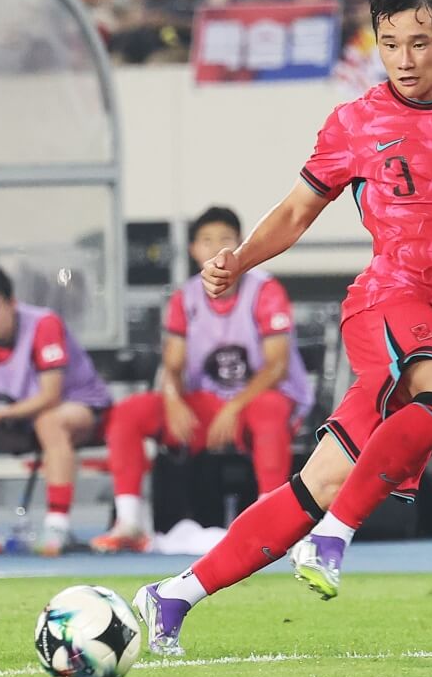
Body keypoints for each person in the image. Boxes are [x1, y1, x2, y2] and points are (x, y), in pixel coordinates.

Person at [130, 0, 432, 656]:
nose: (405, 60)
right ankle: (336, 536)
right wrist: (239, 259)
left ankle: (173, 595)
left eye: (418, 42)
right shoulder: (356, 122)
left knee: (319, 479)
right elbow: (297, 210)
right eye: (390, 44)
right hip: (387, 300)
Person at [91, 207, 314, 553]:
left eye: (225, 240)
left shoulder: (265, 290)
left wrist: (234, 407)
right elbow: (174, 365)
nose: (215, 249)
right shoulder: (185, 298)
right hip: (209, 404)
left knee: (269, 411)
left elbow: (276, 367)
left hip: (259, 398)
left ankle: (273, 520)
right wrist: (172, 399)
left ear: (242, 245)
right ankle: (129, 521)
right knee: (128, 413)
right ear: (193, 250)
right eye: (206, 241)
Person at [0, 264, 111, 557]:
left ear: (11, 303)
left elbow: (50, 396)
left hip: (76, 407)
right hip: (19, 415)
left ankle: (56, 526)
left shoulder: (44, 325)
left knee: (49, 422)